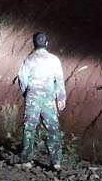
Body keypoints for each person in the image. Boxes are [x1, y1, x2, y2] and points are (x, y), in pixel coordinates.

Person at [16, 32, 67, 170]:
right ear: (46, 43)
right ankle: (56, 162)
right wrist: (61, 97)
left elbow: (22, 78)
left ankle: (26, 160)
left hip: (33, 96)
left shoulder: (30, 59)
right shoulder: (54, 59)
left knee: (29, 127)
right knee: (52, 128)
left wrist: (26, 91)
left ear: (34, 43)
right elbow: (59, 79)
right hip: (49, 97)